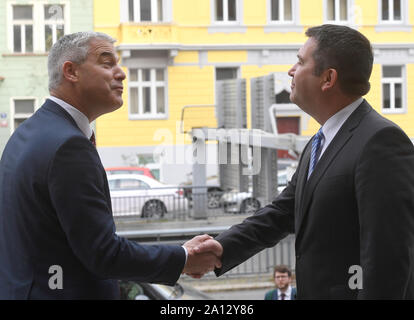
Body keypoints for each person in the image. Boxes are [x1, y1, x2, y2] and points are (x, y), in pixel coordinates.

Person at [192, 24, 414, 299]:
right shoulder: (320, 141)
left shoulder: (381, 142)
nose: (291, 71)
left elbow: (387, 260)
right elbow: (283, 212)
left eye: (300, 61)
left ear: (328, 78)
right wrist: (221, 247)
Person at [0, 32, 220, 299]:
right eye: (107, 64)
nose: (122, 74)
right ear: (71, 71)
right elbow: (102, 253)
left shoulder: (26, 134)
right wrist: (183, 258)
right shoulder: (68, 146)